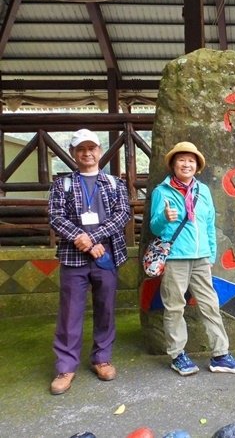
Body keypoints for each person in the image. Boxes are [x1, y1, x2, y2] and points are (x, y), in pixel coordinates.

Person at [150, 141, 235, 376]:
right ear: (173, 164)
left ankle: (220, 355)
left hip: (201, 257)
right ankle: (177, 355)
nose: (186, 164)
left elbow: (209, 225)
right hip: (175, 258)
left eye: (191, 160)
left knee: (210, 305)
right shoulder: (161, 191)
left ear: (197, 166)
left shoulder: (202, 191)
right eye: (181, 160)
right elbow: (155, 227)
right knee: (174, 307)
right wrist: (164, 217)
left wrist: (211, 253)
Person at [48, 129, 131, 395]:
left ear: (99, 151)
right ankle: (65, 366)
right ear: (73, 153)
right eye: (81, 149)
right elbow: (55, 216)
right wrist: (79, 238)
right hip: (74, 257)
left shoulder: (114, 183)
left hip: (106, 255)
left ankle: (102, 358)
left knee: (105, 308)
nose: (87, 153)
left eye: (91, 148)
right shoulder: (62, 184)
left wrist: (92, 238)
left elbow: (122, 215)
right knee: (70, 312)